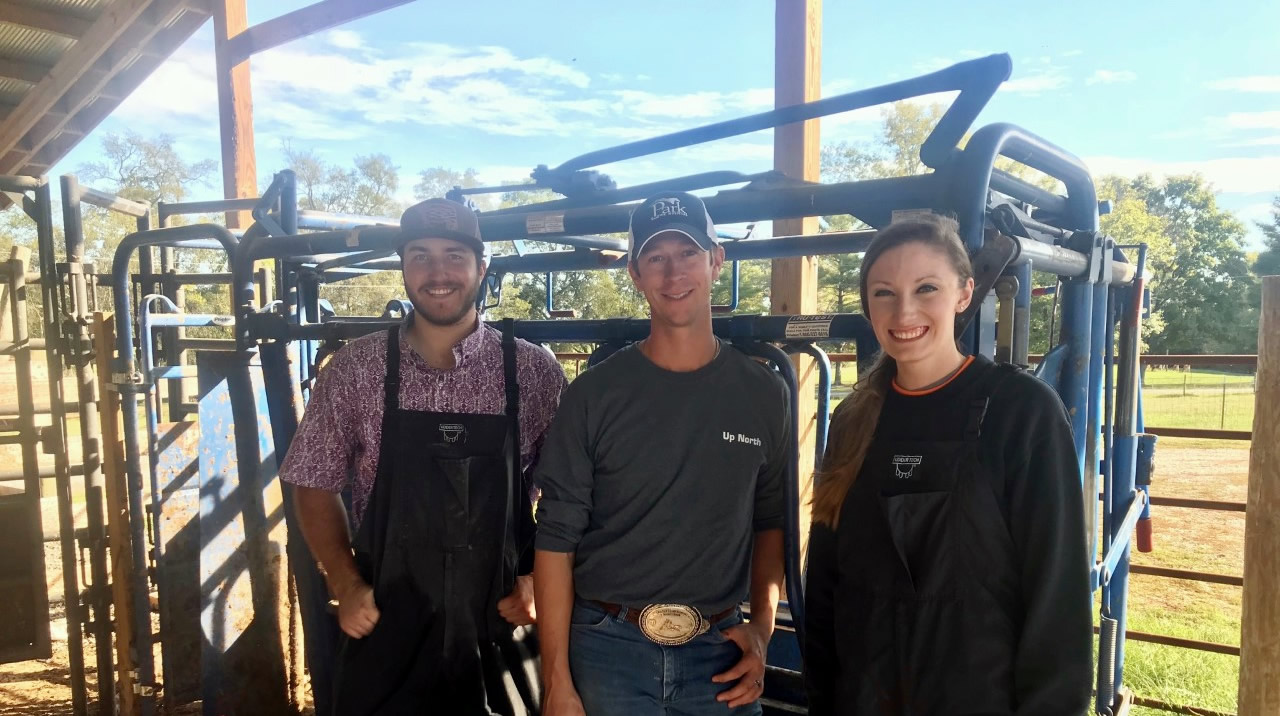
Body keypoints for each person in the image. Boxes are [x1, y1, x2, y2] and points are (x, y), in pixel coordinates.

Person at [281, 198, 568, 715]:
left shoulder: (534, 372)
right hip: (386, 620)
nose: (438, 273)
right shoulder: (355, 369)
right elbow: (312, 482)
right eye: (420, 256)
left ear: (482, 268)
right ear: (403, 267)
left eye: (455, 256)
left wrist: (538, 583)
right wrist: (345, 584)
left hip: (504, 620)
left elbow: (570, 497)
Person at [803, 214, 1093, 715]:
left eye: (927, 288)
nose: (904, 310)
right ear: (868, 305)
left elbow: (1057, 596)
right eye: (884, 293)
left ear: (964, 294)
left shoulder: (1020, 411)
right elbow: (826, 585)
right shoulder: (853, 418)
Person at [532, 192, 790, 716]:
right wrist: (556, 681)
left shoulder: (764, 392)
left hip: (719, 652)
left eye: (688, 253)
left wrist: (761, 629)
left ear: (716, 261)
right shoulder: (593, 395)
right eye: (656, 258)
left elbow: (772, 520)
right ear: (634, 273)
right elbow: (556, 537)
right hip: (607, 647)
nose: (674, 273)